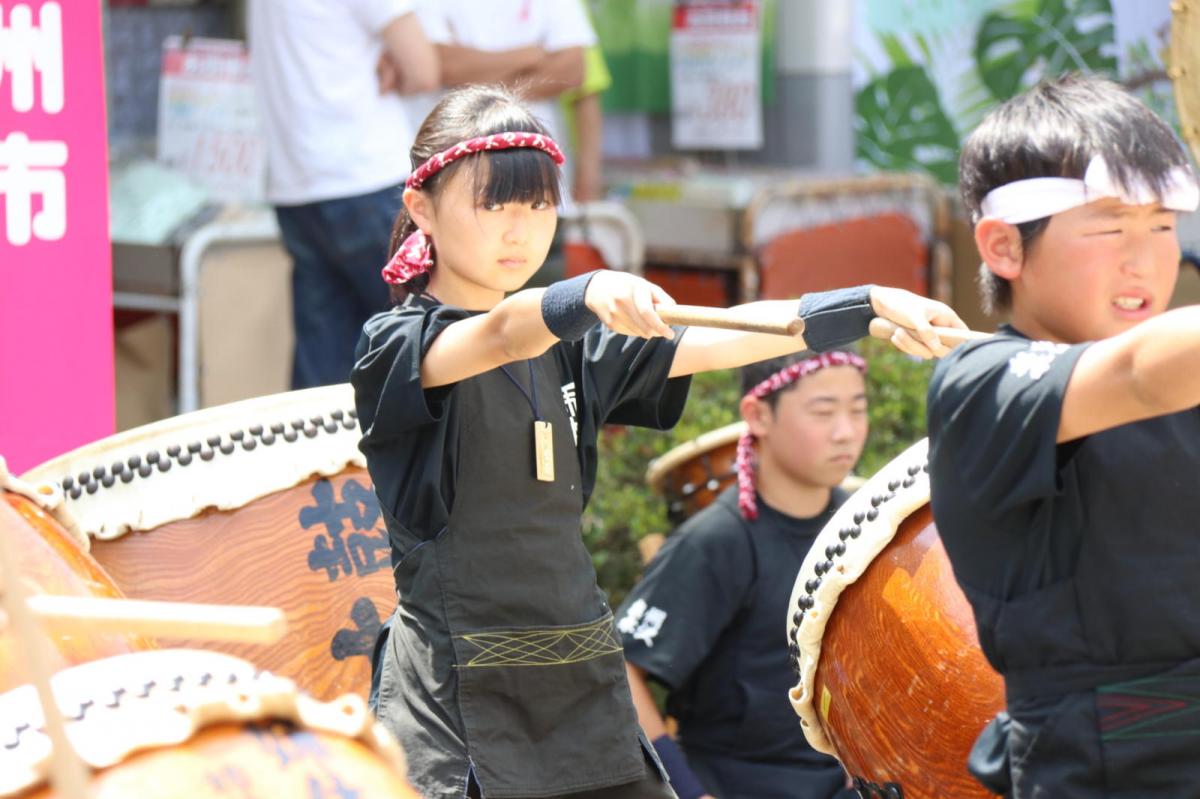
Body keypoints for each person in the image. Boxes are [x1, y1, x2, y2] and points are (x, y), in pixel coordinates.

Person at [351, 83, 965, 799]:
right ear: (421, 207)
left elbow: (726, 330)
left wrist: (864, 303)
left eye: (538, 205)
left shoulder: (568, 348)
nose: (519, 229)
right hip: (455, 701)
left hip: (581, 681)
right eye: (493, 204)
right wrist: (581, 295)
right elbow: (497, 332)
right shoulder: (395, 345)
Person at [926, 72, 1200, 798]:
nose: (1145, 259)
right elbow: (1142, 372)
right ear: (1004, 247)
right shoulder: (979, 382)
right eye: (1111, 226)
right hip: (1102, 764)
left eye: (1164, 226)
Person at [618, 351, 869, 799]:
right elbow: (621, 672)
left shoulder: (860, 524)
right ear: (758, 415)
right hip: (738, 783)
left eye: (858, 408)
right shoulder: (717, 541)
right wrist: (687, 789)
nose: (846, 431)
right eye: (824, 411)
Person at [247, 0, 439, 389]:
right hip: (368, 177)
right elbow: (424, 69)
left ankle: (320, 453)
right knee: (426, 346)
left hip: (297, 186)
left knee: (324, 370)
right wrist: (395, 62)